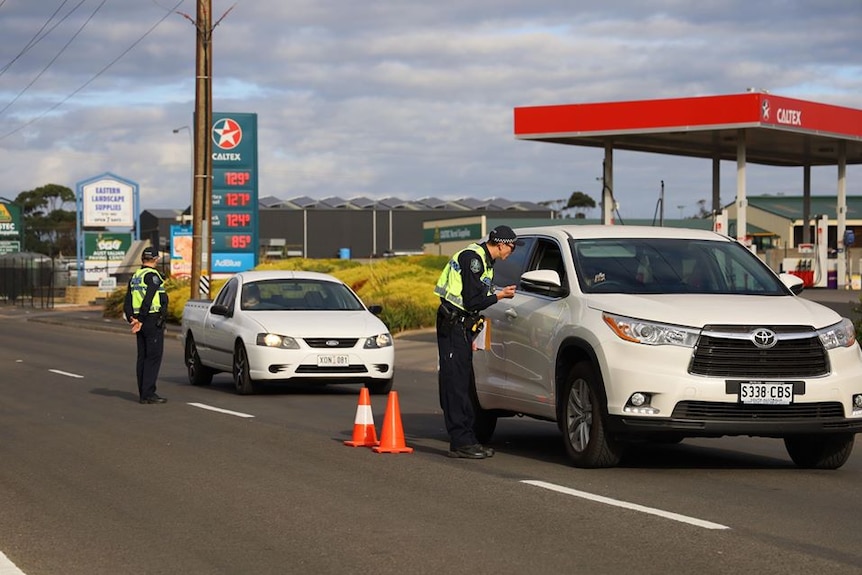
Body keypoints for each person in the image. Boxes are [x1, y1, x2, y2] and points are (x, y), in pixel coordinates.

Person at [433, 225, 522, 459]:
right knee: (455, 384)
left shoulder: (483, 260)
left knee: (462, 384)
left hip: (462, 326)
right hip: (453, 325)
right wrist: (500, 296)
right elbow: (473, 301)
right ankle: (460, 441)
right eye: (511, 247)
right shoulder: (473, 259)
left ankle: (467, 438)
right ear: (501, 244)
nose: (511, 252)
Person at [123, 246, 169, 404]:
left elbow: (128, 301)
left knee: (142, 357)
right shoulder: (153, 276)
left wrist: (132, 319)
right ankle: (149, 393)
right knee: (153, 357)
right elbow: (149, 298)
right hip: (150, 320)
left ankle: (144, 393)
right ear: (156, 259)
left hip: (140, 321)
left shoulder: (136, 276)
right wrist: (141, 319)